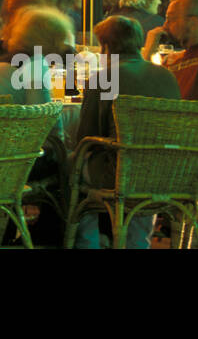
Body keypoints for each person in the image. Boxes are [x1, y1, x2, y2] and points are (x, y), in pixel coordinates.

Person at [72, 14, 180, 248]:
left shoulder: (103, 78)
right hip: (166, 174)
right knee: (137, 160)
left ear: (106, 46)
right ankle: (135, 242)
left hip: (120, 175)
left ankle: (87, 241)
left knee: (72, 164)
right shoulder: (167, 76)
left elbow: (86, 138)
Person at [0, 6, 73, 105]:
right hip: (8, 124)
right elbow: (44, 115)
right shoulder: (35, 64)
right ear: (51, 41)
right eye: (61, 40)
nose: (63, 47)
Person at [144, 0, 198, 99]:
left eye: (170, 19)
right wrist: (150, 50)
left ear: (192, 23)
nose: (165, 25)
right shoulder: (172, 59)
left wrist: (149, 51)